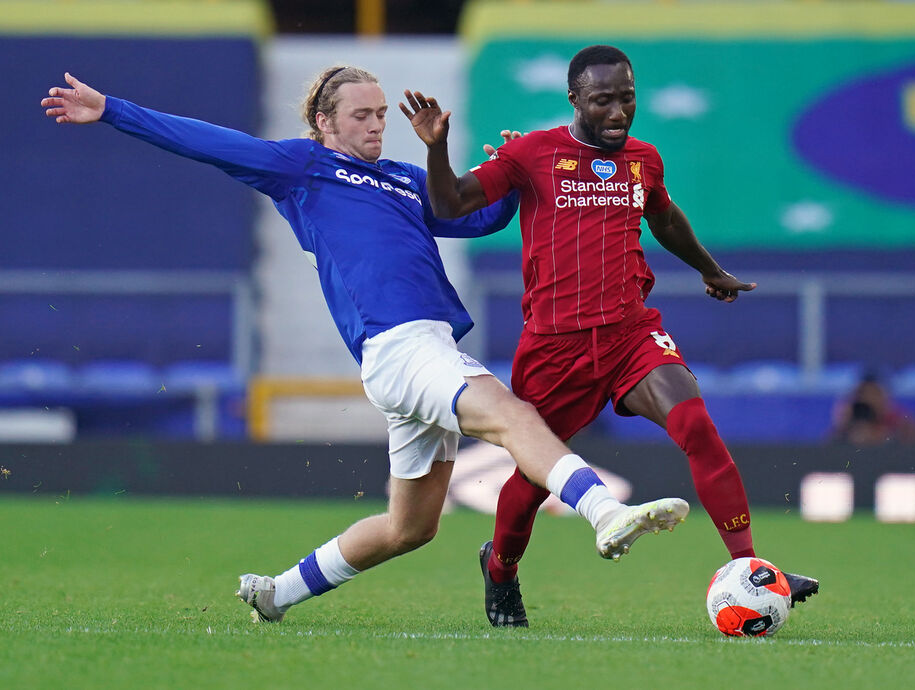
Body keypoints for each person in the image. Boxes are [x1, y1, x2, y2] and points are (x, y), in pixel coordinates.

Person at [42, 67, 690, 624]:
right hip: (400, 347)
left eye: (382, 114)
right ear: (325, 122)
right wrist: (111, 112)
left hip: (419, 352)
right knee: (514, 414)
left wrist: (516, 179)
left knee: (411, 529)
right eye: (361, 115)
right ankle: (605, 512)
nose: (377, 125)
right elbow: (212, 144)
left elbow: (477, 217)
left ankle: (280, 593)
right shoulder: (304, 168)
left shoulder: (405, 179)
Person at [402, 45, 818, 628]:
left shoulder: (644, 159)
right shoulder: (533, 154)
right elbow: (448, 205)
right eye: (603, 101)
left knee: (695, 424)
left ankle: (750, 566)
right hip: (556, 347)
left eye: (627, 97)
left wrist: (708, 268)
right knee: (531, 480)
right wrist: (436, 146)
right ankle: (499, 570)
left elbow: (665, 218)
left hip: (629, 333)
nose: (619, 111)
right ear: (575, 100)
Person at [831, 371, 915, 446]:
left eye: (874, 394)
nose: (869, 399)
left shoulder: (898, 420)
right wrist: (843, 427)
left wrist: (883, 436)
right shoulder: (850, 420)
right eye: (865, 394)